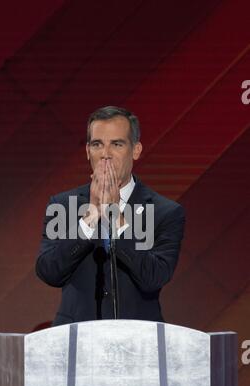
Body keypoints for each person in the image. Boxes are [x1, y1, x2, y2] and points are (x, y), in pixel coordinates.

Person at [36, 106, 185, 326]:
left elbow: (154, 277)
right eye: (97, 144)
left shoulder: (166, 212)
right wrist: (90, 216)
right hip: (75, 340)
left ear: (136, 150)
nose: (106, 154)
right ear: (88, 151)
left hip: (139, 342)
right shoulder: (62, 205)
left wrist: (117, 217)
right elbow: (48, 271)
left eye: (117, 144)